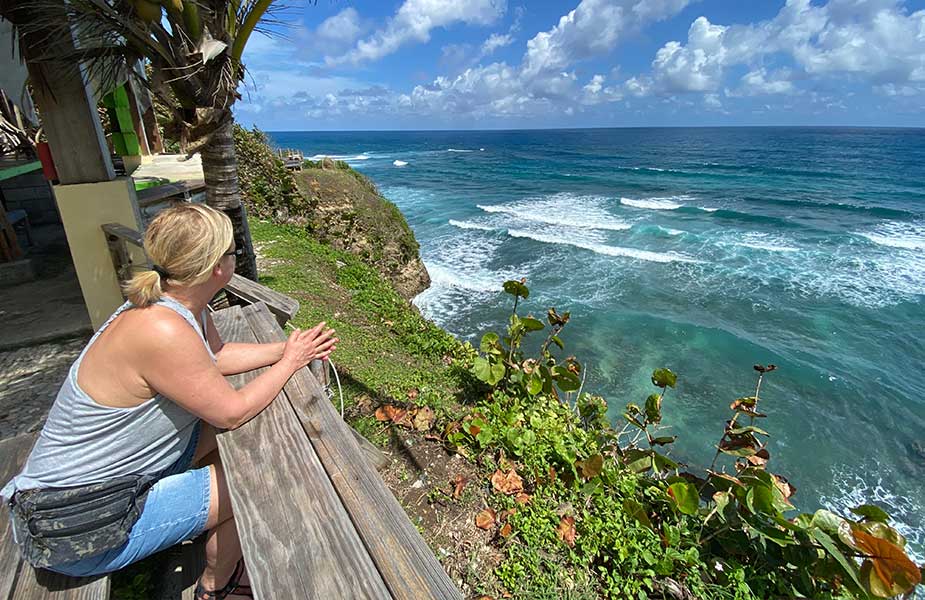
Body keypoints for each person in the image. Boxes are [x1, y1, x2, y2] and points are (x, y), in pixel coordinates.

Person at [1, 204, 337, 599]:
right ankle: (216, 584)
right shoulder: (163, 330)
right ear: (217, 268)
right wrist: (292, 363)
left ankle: (219, 547)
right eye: (232, 252)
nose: (236, 257)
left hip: (106, 484)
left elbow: (216, 356)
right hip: (79, 525)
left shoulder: (177, 303)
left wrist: (286, 349)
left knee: (253, 444)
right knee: (267, 469)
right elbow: (231, 413)